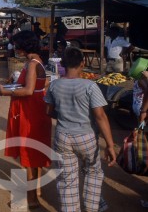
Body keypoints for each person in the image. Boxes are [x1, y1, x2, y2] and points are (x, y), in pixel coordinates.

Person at [45, 47, 116, 212]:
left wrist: (65, 114)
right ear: (82, 63)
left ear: (62, 64)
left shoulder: (54, 85)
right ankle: (92, 208)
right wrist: (110, 145)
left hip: (62, 136)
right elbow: (100, 116)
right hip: (86, 136)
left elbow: (48, 111)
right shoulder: (90, 86)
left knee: (67, 178)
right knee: (93, 173)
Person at [0, 30, 52, 209]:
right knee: (34, 154)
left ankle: (32, 199)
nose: (15, 48)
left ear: (22, 46)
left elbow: (28, 90)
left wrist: (5, 91)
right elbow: (38, 84)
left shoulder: (32, 64)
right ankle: (36, 191)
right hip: (35, 109)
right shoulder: (36, 61)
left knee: (29, 156)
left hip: (30, 112)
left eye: (16, 45)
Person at [130, 58, 148, 122]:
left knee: (141, 125)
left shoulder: (138, 78)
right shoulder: (142, 81)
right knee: (142, 127)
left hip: (138, 106)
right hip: (142, 107)